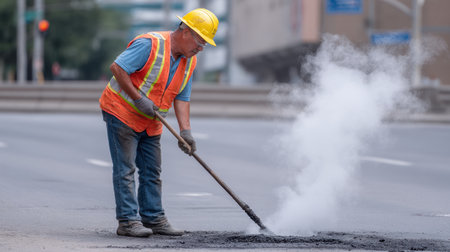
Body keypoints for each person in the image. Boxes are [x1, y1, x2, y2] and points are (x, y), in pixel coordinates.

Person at [99, 8, 219, 237]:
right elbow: (117, 67)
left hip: (152, 121)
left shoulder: (188, 62)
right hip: (122, 111)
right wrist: (138, 99)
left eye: (205, 44)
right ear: (186, 31)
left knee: (152, 171)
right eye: (200, 41)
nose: (201, 48)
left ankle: (154, 218)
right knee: (126, 169)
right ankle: (127, 221)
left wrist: (186, 132)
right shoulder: (150, 44)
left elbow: (182, 98)